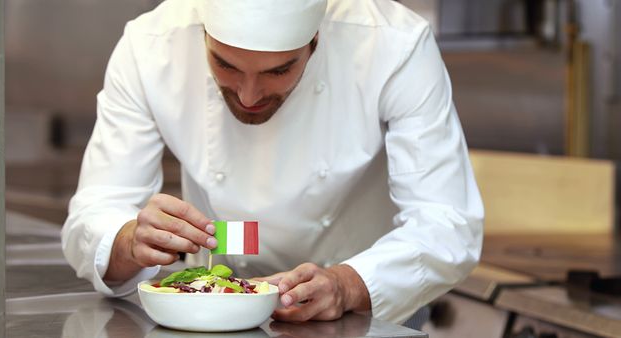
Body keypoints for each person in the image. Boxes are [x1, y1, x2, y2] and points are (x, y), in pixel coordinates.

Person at [62, 0, 483, 324]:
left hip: (365, 309)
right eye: (224, 65)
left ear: (316, 40)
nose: (248, 95)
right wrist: (130, 240)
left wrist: (346, 284)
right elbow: (97, 208)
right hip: (215, 306)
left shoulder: (393, 44)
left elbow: (446, 223)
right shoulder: (150, 45)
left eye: (278, 71)